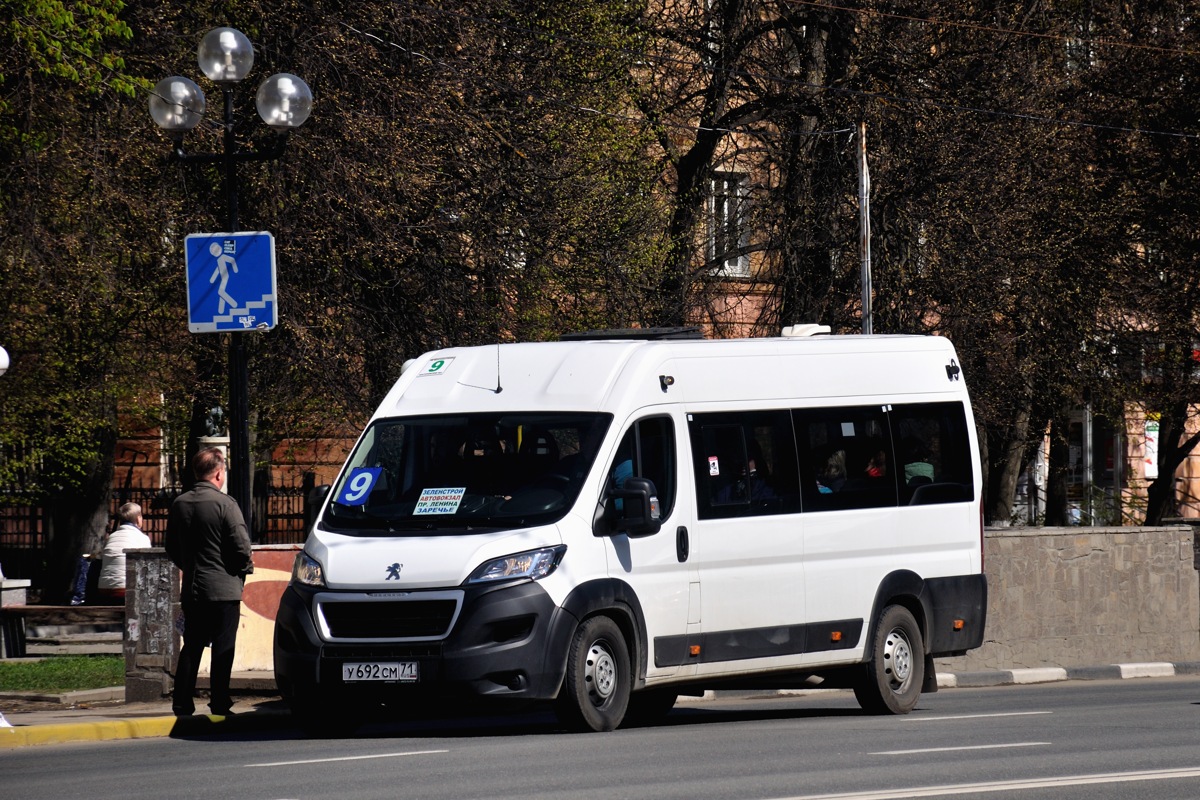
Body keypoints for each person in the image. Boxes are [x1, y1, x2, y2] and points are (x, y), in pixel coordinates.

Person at [166, 447, 254, 717]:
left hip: (193, 587)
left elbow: (171, 547)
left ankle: (182, 702)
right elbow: (241, 546)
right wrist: (243, 569)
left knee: (192, 645)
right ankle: (219, 701)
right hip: (224, 589)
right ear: (218, 473)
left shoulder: (180, 504)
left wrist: (190, 567)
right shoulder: (225, 504)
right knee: (223, 646)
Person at [96, 502, 152, 605]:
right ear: (138, 518)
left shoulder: (111, 537)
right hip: (127, 591)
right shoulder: (142, 538)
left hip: (104, 590)